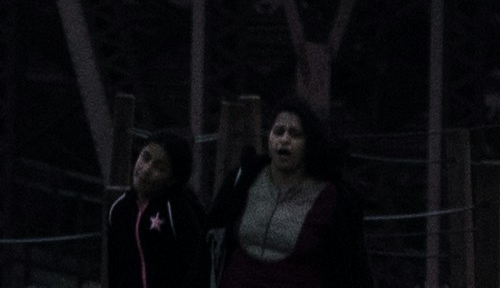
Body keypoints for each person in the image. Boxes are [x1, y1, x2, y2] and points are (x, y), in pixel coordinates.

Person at [212, 102, 360, 288]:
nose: (284, 139)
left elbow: (350, 265)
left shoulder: (331, 197)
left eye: (295, 134)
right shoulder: (244, 179)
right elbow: (211, 236)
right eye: (278, 131)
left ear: (309, 143)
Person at [107, 129, 210, 288]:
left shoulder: (176, 210)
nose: (146, 169)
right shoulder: (119, 209)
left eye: (159, 168)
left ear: (172, 179)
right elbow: (114, 268)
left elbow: (199, 269)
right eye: (145, 157)